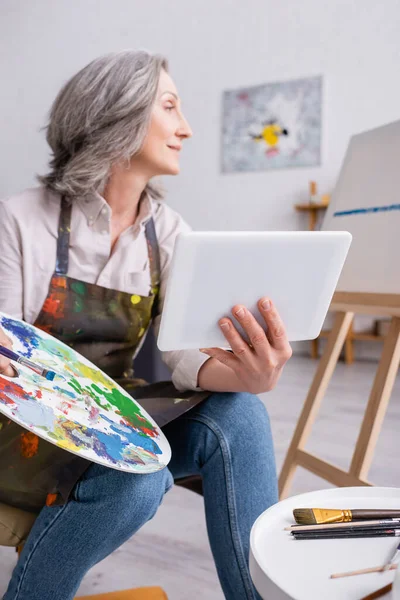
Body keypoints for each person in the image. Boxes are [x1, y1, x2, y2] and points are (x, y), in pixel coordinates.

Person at [0, 50, 292, 600]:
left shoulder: (171, 232)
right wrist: (100, 429)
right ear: (117, 113)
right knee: (137, 477)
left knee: (242, 414)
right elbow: (9, 360)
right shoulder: (19, 219)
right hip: (24, 428)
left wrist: (245, 376)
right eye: (170, 106)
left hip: (113, 416)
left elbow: (181, 355)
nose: (186, 128)